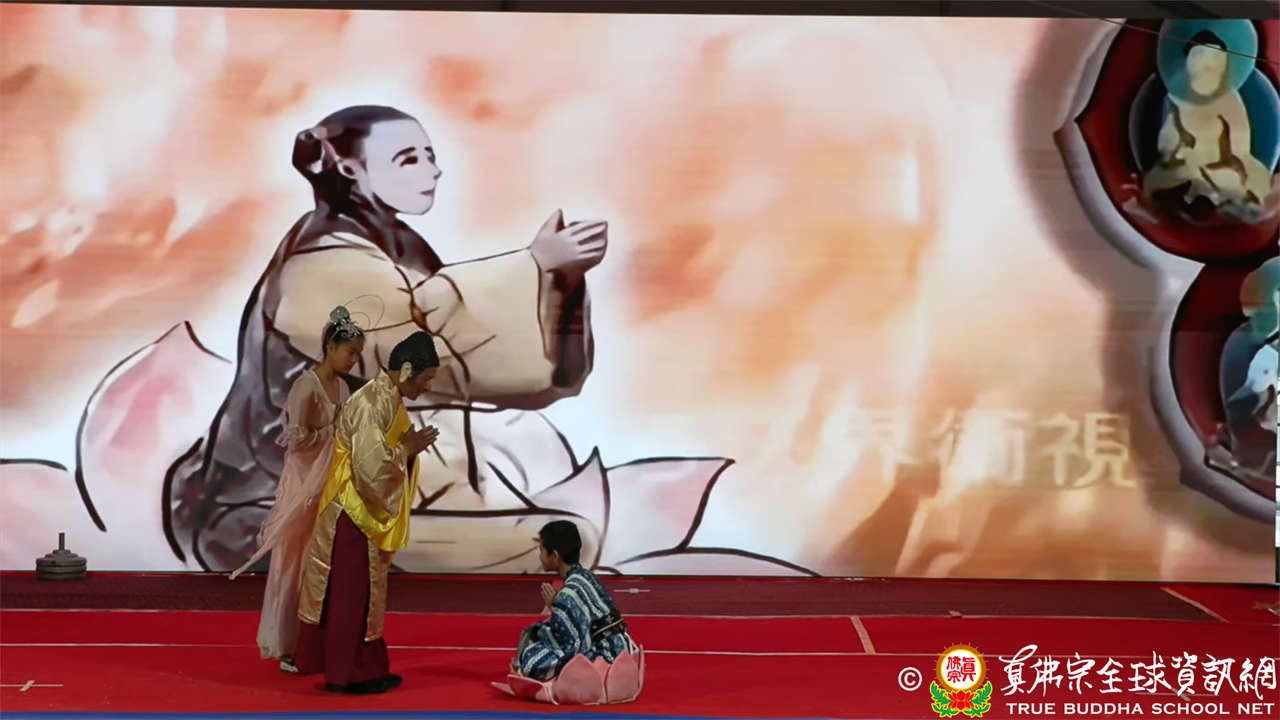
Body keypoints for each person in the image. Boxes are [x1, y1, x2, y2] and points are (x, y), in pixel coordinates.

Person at [167, 104, 607, 574]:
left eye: (430, 156)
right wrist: (532, 267)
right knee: (558, 544)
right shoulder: (321, 265)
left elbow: (483, 355)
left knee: (560, 541)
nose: (433, 171)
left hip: (361, 493)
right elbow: (426, 355)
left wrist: (559, 283)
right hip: (280, 509)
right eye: (408, 159)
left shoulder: (393, 248)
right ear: (350, 169)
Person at [293, 330, 442, 694]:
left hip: (363, 510)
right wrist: (406, 451)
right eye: (425, 379)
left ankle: (367, 667)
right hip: (351, 509)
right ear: (407, 370)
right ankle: (346, 674)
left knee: (365, 594)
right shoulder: (372, 403)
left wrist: (406, 451)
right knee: (351, 596)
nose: (426, 387)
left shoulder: (387, 398)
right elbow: (370, 470)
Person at [228, 306, 365, 673]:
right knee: (296, 563)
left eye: (358, 354)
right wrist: (333, 428)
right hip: (304, 485)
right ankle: (290, 644)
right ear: (330, 347)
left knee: (323, 565)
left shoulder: (342, 386)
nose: (354, 360)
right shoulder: (306, 386)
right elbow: (295, 440)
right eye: (350, 352)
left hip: (330, 483)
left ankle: (315, 642)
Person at [513, 520, 639, 682]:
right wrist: (557, 609)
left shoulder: (567, 594)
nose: (540, 556)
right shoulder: (588, 576)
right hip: (624, 649)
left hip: (605, 658)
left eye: (542, 551)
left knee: (533, 655)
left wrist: (554, 609)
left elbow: (572, 646)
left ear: (555, 556)